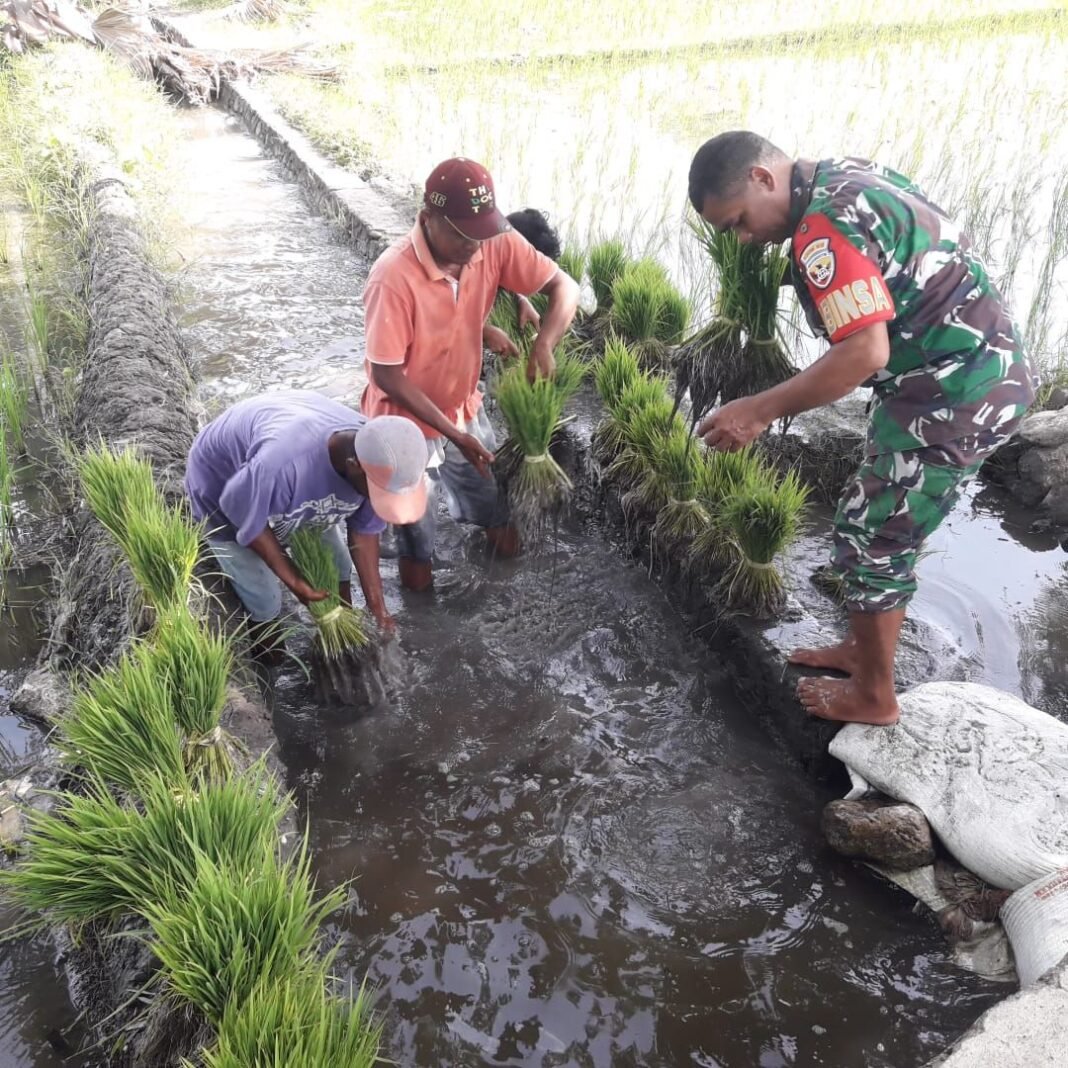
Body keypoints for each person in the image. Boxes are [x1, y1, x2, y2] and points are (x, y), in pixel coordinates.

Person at [688, 131, 1037, 727]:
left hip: (955, 391)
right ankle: (860, 649)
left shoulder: (822, 230)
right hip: (961, 372)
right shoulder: (844, 176)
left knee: (875, 538)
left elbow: (864, 353)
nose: (744, 239)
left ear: (763, 178)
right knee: (866, 514)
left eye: (739, 221)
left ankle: (876, 696)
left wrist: (758, 409)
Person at [361, 157, 580, 592]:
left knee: (496, 509)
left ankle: (506, 594)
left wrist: (544, 344)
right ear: (428, 218)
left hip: (463, 408)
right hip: (404, 426)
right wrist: (452, 435)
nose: (475, 247)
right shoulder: (392, 277)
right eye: (462, 235)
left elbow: (565, 288)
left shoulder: (492, 242)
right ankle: (424, 623)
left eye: (481, 233)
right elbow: (387, 375)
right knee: (416, 539)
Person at [185, 389, 429, 653]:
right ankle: (270, 658)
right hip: (222, 486)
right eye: (378, 492)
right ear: (354, 465)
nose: (379, 499)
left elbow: (365, 532)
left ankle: (340, 642)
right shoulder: (281, 465)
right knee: (265, 598)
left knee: (338, 566)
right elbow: (240, 509)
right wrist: (294, 581)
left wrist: (378, 608)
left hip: (292, 469)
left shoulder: (382, 455)